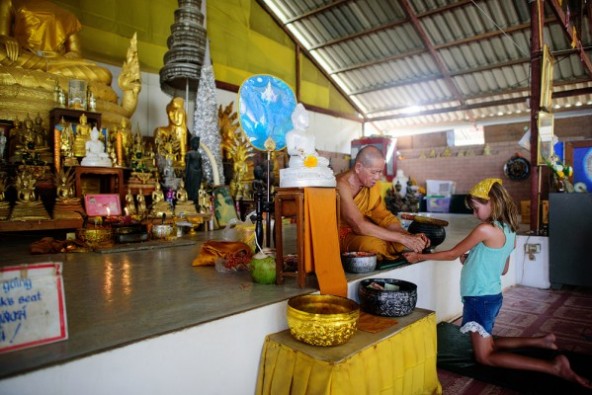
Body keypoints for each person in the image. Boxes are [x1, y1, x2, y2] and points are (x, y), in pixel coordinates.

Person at [403, 178, 592, 389]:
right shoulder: (510, 231)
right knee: (489, 341)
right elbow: (502, 268)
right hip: (491, 296)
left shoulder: (486, 229)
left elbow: (451, 254)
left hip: (479, 299)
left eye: (476, 209)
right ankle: (541, 341)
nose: (474, 215)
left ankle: (554, 367)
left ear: (492, 202)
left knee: (485, 357)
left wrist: (419, 257)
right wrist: (471, 259)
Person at [336, 145, 429, 260]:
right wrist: (402, 238)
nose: (378, 177)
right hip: (341, 235)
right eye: (374, 172)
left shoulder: (371, 185)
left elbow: (382, 216)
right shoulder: (341, 185)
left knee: (398, 242)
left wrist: (408, 236)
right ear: (358, 167)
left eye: (380, 172)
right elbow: (359, 225)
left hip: (365, 230)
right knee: (375, 246)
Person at [154, 97, 188, 166]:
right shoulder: (175, 110)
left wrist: (171, 116)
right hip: (173, 130)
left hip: (179, 131)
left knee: (181, 145)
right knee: (159, 130)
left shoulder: (181, 111)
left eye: (174, 103)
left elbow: (178, 123)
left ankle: (182, 158)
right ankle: (160, 152)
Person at [185, 135, 202, 202]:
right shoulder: (189, 153)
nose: (197, 145)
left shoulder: (199, 154)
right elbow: (187, 164)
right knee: (191, 186)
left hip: (198, 172)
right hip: (191, 172)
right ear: (192, 144)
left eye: (198, 143)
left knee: (197, 186)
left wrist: (201, 173)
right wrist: (186, 174)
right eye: (196, 143)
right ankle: (190, 198)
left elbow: (200, 164)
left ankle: (195, 198)